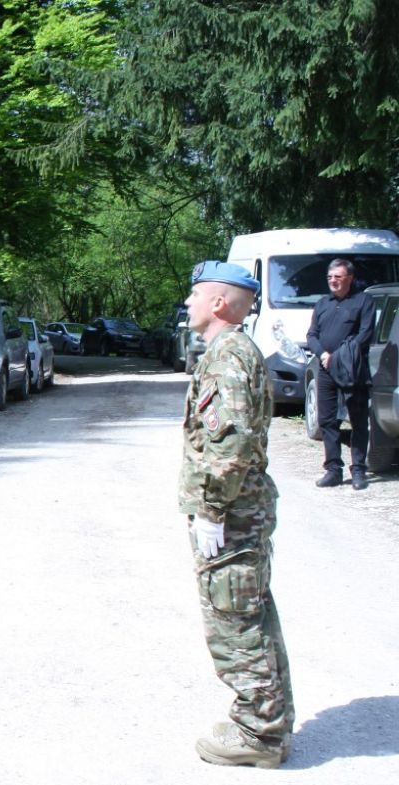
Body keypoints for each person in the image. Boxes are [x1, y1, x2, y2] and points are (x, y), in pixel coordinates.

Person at [181, 261, 293, 769]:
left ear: (219, 303)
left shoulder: (228, 357)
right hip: (241, 510)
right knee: (250, 614)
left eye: (195, 295)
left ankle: (260, 736)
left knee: (235, 622)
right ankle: (267, 721)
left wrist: (209, 509)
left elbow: (230, 443)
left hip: (232, 515)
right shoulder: (232, 351)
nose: (189, 303)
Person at [306, 258, 375, 490]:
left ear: (350, 278)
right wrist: (323, 354)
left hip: (352, 369)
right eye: (330, 277)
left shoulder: (363, 301)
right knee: (326, 420)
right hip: (326, 369)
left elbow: (365, 335)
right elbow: (311, 335)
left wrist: (338, 357)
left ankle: (359, 470)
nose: (333, 281)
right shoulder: (322, 304)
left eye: (338, 276)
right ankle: (333, 470)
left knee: (358, 420)